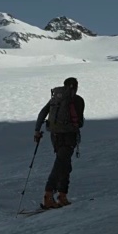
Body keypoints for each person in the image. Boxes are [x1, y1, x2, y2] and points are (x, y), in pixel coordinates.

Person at [34, 77, 85, 208]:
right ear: (76, 86)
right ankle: (48, 195)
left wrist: (37, 130)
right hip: (69, 135)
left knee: (64, 163)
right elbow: (80, 122)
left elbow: (43, 112)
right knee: (61, 164)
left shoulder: (55, 99)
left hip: (55, 135)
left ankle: (62, 195)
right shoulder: (78, 100)